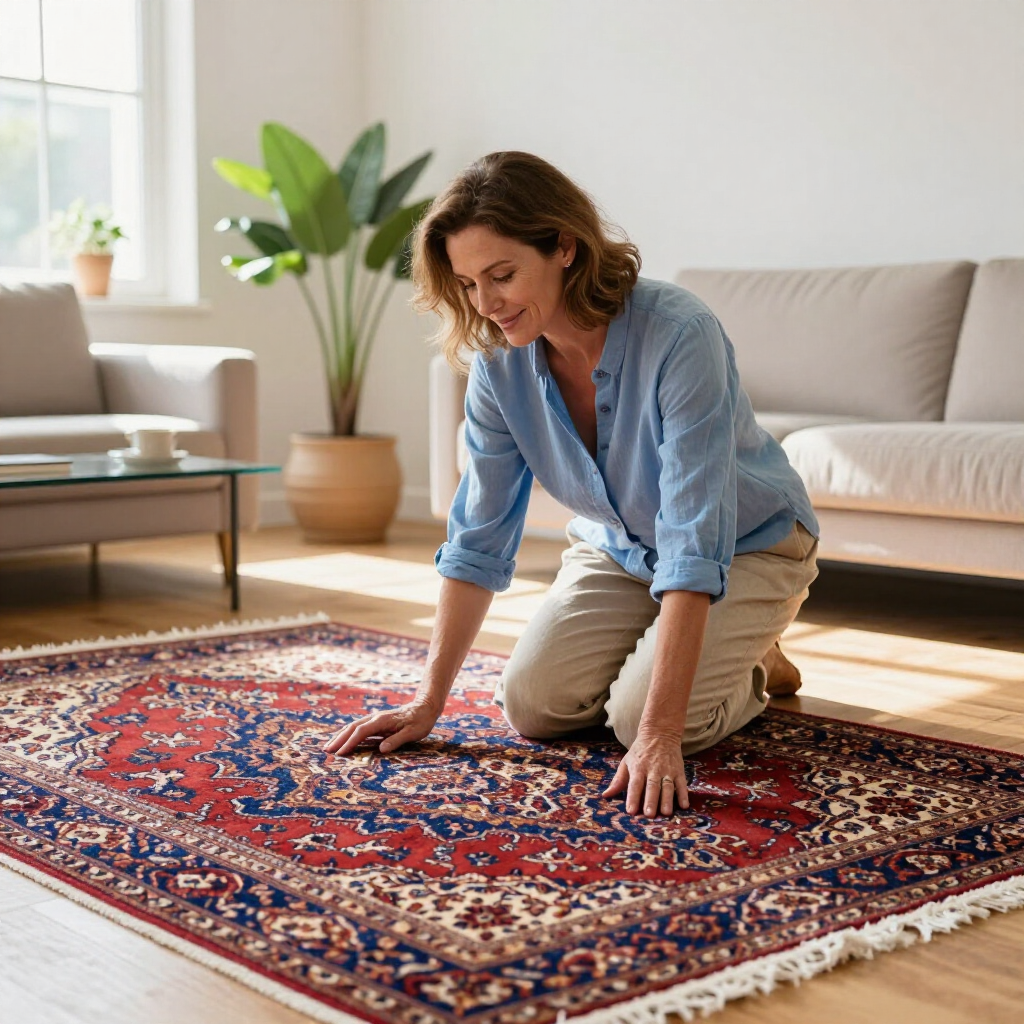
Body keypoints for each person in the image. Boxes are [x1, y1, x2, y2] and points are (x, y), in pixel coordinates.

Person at [323, 152, 820, 819]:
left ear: (563, 246)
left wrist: (659, 734)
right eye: (469, 284)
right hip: (618, 549)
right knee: (532, 706)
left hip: (747, 543)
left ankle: (754, 658)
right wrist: (428, 701)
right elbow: (479, 536)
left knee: (636, 718)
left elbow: (694, 536)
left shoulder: (681, 334)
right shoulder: (496, 365)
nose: (486, 303)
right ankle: (704, 645)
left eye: (502, 275)